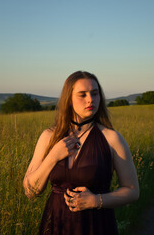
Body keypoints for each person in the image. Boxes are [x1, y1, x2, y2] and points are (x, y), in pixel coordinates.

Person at [23, 71, 139, 235]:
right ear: (68, 99)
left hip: (96, 225)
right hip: (56, 225)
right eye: (82, 95)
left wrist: (96, 201)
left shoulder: (112, 138)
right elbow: (30, 191)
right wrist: (53, 156)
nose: (90, 99)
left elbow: (133, 190)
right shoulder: (49, 137)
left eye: (95, 93)